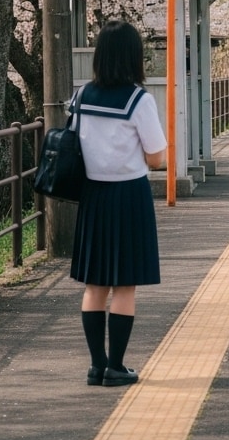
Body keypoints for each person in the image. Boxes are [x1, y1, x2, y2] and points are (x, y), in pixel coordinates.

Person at [70, 20, 166, 388]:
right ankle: (117, 366)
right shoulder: (138, 100)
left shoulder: (81, 96)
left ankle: (96, 366)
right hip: (129, 195)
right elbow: (156, 158)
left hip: (93, 195)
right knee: (124, 285)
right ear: (134, 57)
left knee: (95, 284)